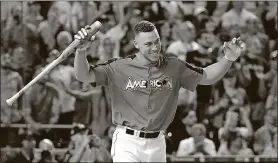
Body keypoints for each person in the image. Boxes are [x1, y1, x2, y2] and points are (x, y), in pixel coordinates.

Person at [73, 20, 243, 162]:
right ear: (136, 45)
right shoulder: (119, 67)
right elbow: (84, 75)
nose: (155, 47)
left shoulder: (174, 66)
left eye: (157, 41)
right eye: (148, 44)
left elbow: (207, 76)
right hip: (128, 142)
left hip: (157, 143)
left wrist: (228, 59)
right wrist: (81, 51)